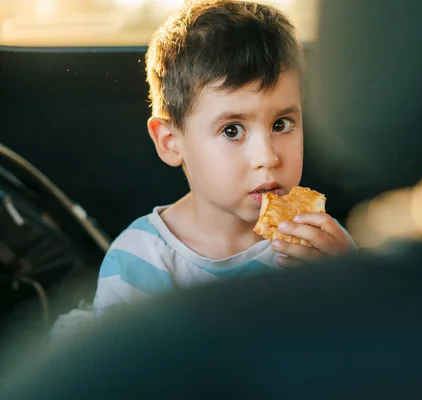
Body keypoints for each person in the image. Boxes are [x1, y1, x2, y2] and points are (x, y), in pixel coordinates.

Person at [92, 0, 355, 315]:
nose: (268, 157)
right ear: (171, 142)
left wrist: (351, 282)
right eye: (232, 130)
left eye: (281, 125)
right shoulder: (139, 261)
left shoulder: (320, 247)